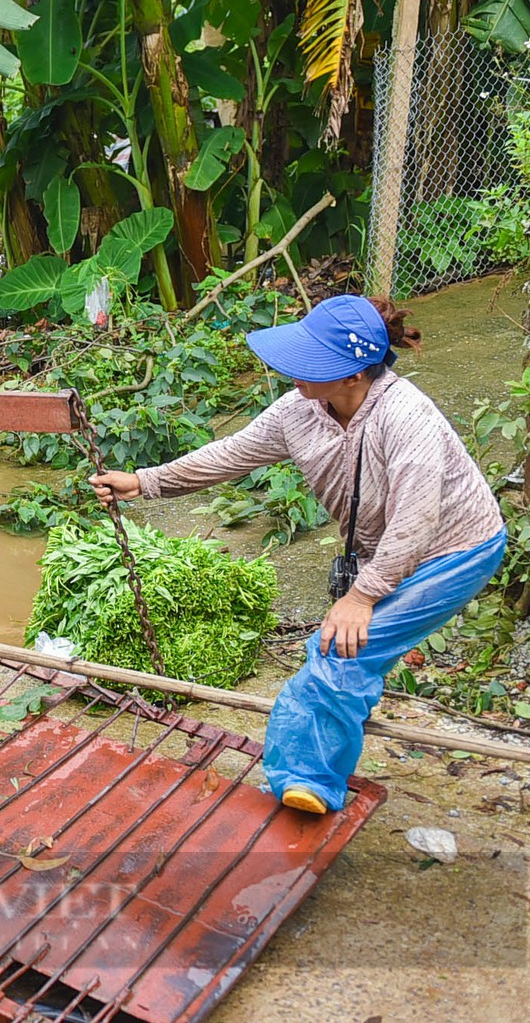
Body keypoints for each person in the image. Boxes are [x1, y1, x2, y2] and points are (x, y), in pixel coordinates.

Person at [89, 294, 505, 815]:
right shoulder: (301, 408)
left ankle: (307, 782)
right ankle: (312, 770)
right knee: (345, 652)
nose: (293, 371)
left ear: (355, 374)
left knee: (340, 651)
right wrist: (145, 482)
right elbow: (231, 454)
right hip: (392, 549)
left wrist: (362, 596)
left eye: (313, 361)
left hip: (456, 550)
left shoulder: (406, 417)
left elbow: (415, 521)